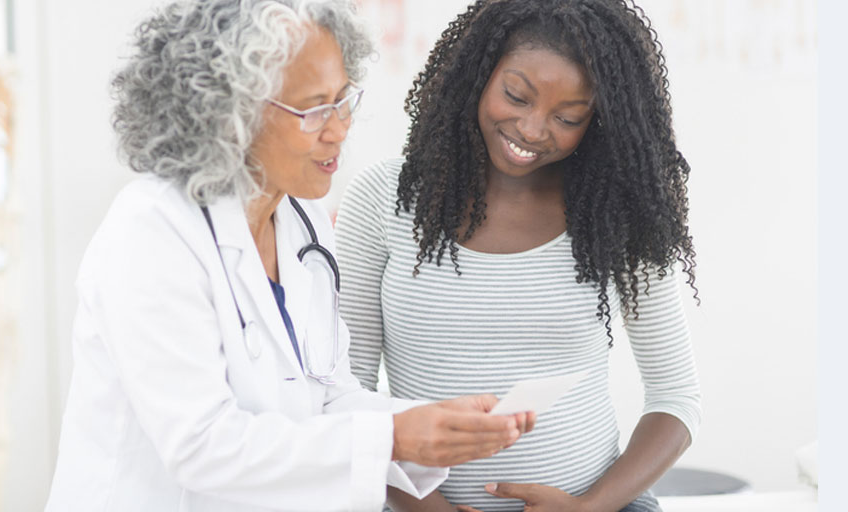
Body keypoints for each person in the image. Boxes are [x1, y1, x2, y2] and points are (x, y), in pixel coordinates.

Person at [44, 1, 536, 510]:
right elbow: (201, 447)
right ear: (227, 113)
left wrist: (435, 422)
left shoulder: (302, 221)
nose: (339, 129)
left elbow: (328, 394)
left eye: (343, 100)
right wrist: (393, 437)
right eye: (313, 108)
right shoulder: (151, 233)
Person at [335, 0, 702, 510]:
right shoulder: (382, 199)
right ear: (478, 76)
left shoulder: (617, 213)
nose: (532, 131)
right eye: (516, 96)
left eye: (568, 117)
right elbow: (344, 397)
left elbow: (676, 400)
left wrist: (589, 508)